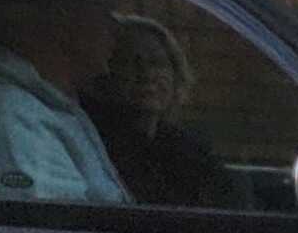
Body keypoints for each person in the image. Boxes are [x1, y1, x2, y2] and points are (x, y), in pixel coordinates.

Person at [0, 0, 132, 204]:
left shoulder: (50, 105)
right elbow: (58, 223)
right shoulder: (11, 117)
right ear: (63, 20)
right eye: (104, 13)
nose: (116, 28)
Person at [82, 12, 234, 209]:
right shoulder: (93, 144)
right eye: (130, 62)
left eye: (157, 63)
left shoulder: (188, 150)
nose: (147, 74)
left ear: (176, 74)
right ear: (105, 72)